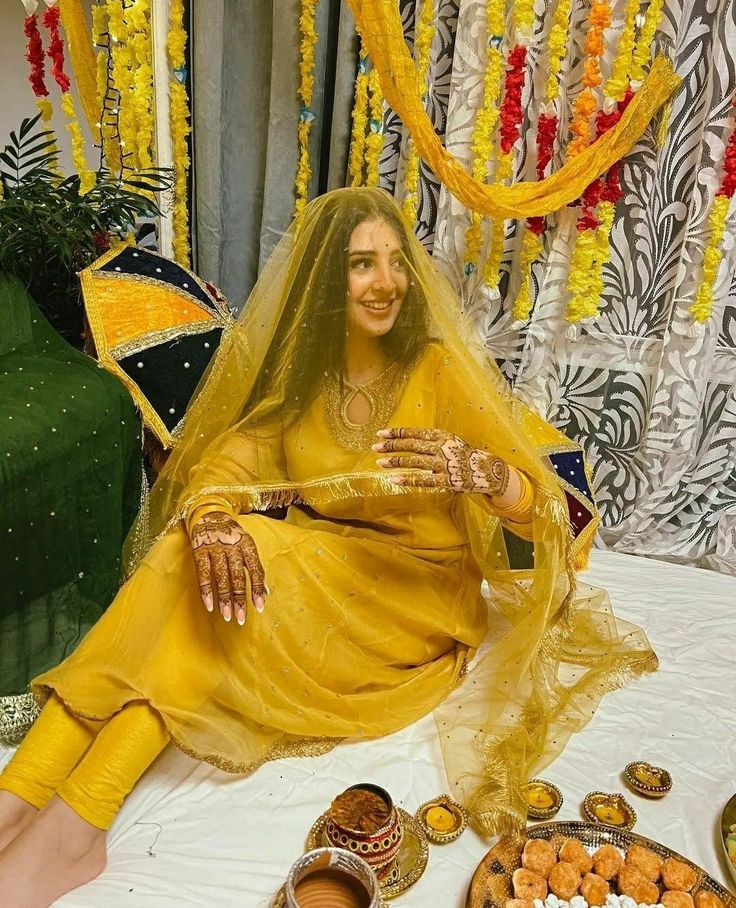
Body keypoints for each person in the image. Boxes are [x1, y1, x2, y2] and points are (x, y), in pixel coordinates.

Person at [0, 188, 655, 907]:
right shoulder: (303, 377)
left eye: (396, 262)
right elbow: (228, 465)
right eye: (360, 265)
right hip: (319, 570)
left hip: (413, 603)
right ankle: (31, 801)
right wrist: (212, 514)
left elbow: (541, 519)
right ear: (321, 283)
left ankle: (64, 821)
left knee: (203, 593)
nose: (386, 282)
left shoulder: (437, 371)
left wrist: (492, 477)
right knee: (200, 554)